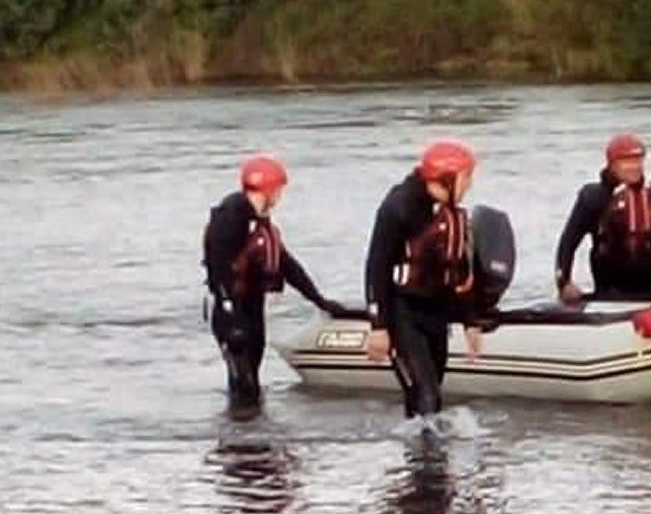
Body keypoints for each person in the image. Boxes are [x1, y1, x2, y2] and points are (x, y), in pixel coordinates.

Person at [202, 154, 342, 408]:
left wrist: (319, 300)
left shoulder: (261, 221)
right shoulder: (231, 215)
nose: (280, 196)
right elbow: (218, 267)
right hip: (232, 312)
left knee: (253, 379)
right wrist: (229, 314)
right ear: (270, 188)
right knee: (244, 384)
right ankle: (239, 438)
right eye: (279, 189)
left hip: (253, 308)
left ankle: (251, 435)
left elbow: (287, 265)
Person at [364, 139, 483, 418]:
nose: (470, 186)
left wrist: (470, 320)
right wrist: (379, 326)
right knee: (426, 396)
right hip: (403, 313)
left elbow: (460, 269)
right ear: (446, 179)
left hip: (436, 312)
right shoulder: (398, 207)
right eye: (466, 178)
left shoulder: (452, 214)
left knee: (432, 396)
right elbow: (376, 266)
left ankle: (425, 459)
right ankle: (424, 457)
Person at [554, 133, 651, 304]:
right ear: (612, 165)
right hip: (610, 290)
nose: (634, 167)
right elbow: (568, 243)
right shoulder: (593, 198)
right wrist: (564, 283)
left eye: (638, 160)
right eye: (627, 161)